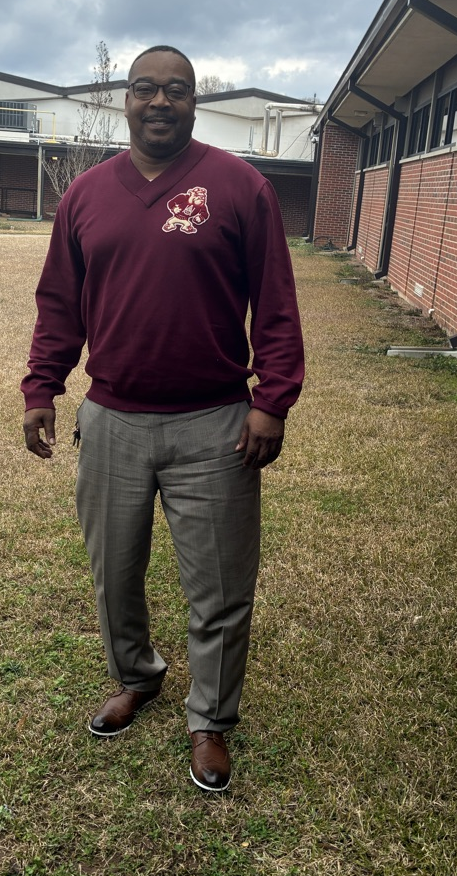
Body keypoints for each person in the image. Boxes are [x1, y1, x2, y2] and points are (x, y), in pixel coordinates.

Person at [22, 45, 304, 791]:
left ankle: (209, 718)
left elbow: (275, 303)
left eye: (175, 91)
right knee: (114, 573)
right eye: (145, 88)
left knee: (219, 586)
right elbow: (59, 304)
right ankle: (135, 675)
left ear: (193, 102)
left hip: (215, 422)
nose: (159, 102)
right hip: (112, 418)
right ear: (125, 99)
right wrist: (40, 389)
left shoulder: (240, 187)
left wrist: (271, 401)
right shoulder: (85, 195)